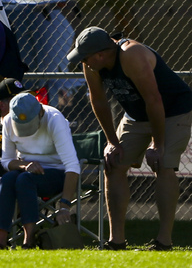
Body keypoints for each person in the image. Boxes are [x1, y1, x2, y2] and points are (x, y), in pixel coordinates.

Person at [67, 26, 192, 251]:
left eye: (85, 57)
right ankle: (116, 242)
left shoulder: (131, 55)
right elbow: (99, 101)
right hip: (136, 113)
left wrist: (158, 144)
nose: (82, 62)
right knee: (113, 164)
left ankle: (164, 243)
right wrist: (112, 142)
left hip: (173, 110)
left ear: (101, 54)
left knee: (163, 164)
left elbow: (154, 100)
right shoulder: (91, 65)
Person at [0, 92, 79, 250]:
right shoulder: (9, 120)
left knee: (25, 180)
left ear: (40, 112)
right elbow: (6, 161)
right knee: (8, 179)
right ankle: (0, 241)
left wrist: (64, 205)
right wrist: (25, 165)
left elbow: (72, 166)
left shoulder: (54, 119)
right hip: (26, 171)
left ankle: (29, 238)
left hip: (56, 172)